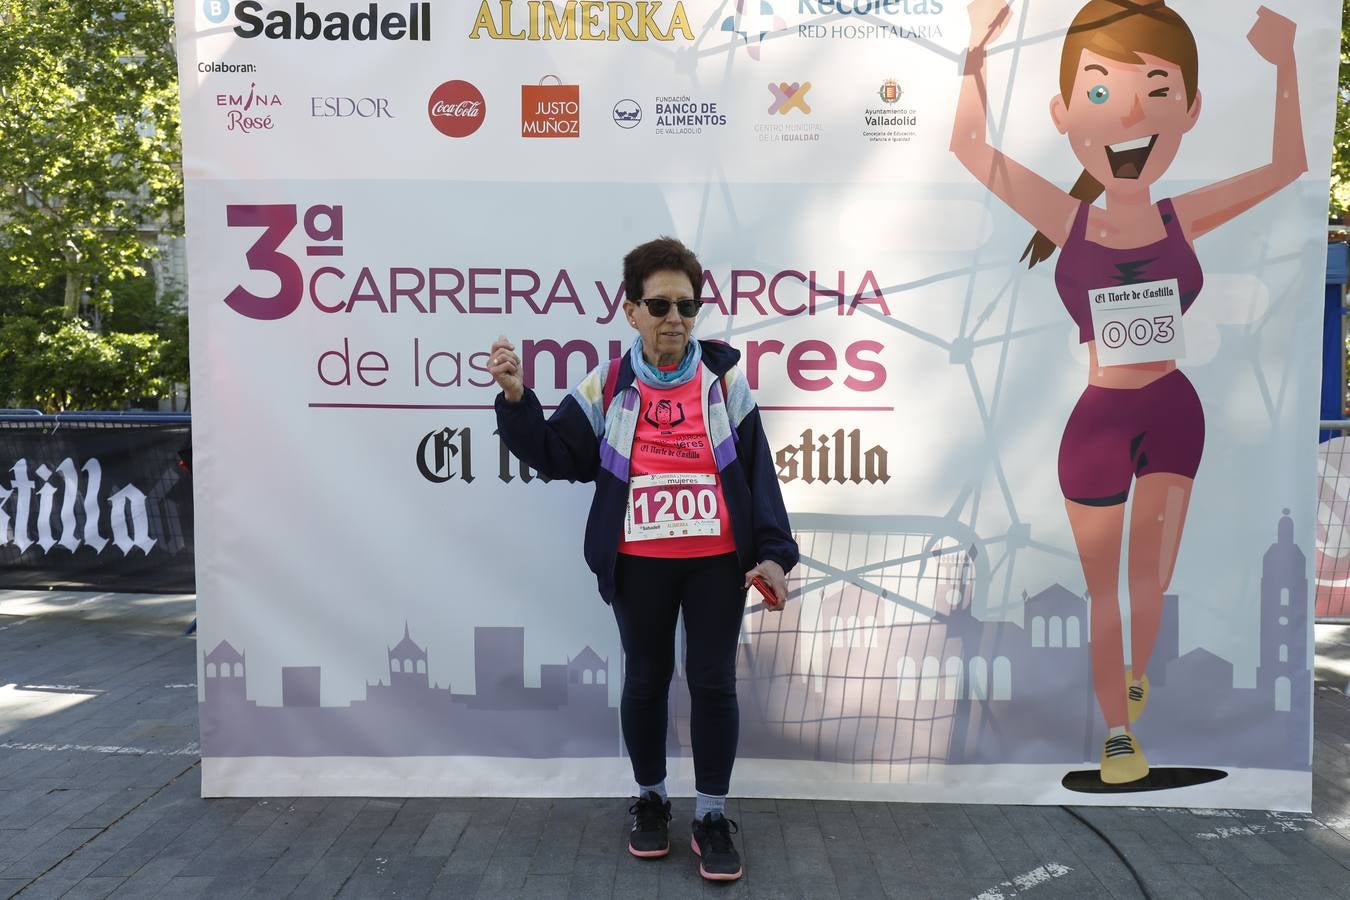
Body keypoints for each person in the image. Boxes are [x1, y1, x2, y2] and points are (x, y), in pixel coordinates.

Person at [952, 0, 1305, 783]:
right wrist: (975, 51)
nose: (1131, 113)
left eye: (1157, 89)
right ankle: (1119, 731)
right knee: (1101, 590)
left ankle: (1135, 671)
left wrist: (1285, 65)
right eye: (1103, 90)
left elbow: (1286, 170)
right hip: (1100, 424)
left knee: (1152, 580)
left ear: (1189, 110)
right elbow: (969, 147)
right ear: (1065, 111)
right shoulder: (1067, 219)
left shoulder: (1184, 216)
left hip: (1173, 414)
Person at [489, 236, 799, 880]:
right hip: (640, 562)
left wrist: (774, 553)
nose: (674, 319)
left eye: (686, 306)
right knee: (646, 679)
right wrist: (518, 401)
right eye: (657, 305)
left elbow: (757, 475)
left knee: (713, 681)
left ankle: (711, 813)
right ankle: (651, 800)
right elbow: (559, 456)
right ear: (630, 311)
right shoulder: (607, 384)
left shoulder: (723, 381)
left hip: (718, 562)